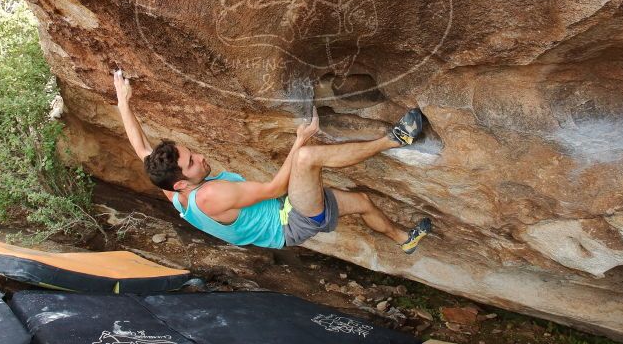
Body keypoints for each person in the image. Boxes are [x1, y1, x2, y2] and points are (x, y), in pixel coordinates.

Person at [113, 70, 432, 253]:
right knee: (306, 158)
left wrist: (123, 102)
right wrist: (299, 140)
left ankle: (404, 240)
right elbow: (276, 186)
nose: (200, 156)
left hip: (288, 210)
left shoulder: (174, 190)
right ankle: (396, 138)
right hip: (291, 222)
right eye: (193, 161)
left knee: (362, 202)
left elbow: (141, 147)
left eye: (191, 152)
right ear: (183, 181)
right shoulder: (211, 196)